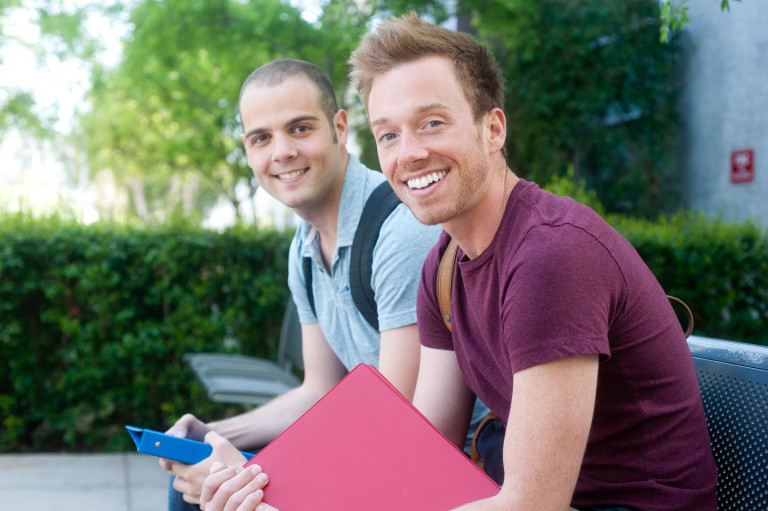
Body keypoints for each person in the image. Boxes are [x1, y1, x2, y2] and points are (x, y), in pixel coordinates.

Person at [200, 13, 718, 511]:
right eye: (388, 134)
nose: (409, 154)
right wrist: (270, 482)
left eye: (431, 123)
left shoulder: (550, 257)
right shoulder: (444, 267)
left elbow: (531, 505)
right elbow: (421, 451)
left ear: (493, 130)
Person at [160, 58, 446, 509]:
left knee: (218, 489)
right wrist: (214, 436)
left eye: (300, 128)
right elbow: (320, 389)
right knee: (197, 478)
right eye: (261, 138)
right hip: (378, 443)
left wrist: (248, 471)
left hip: (442, 471)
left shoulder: (400, 230)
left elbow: (401, 421)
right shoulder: (305, 247)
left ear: (339, 127)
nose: (282, 152)